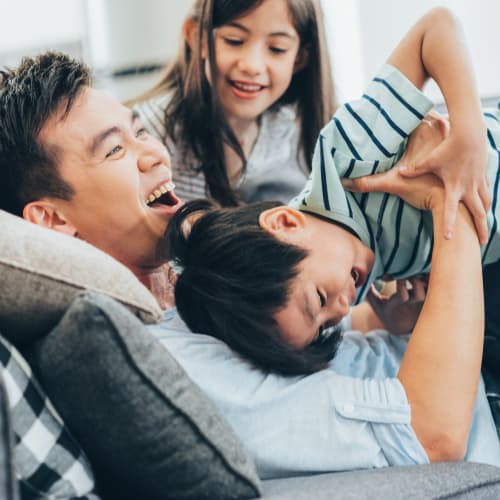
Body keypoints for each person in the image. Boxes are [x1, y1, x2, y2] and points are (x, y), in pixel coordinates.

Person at [0, 7, 498, 477]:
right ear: (50, 219)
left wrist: (376, 321)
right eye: (114, 150)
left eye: (137, 133)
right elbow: (429, 435)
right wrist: (451, 197)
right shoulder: (168, 360)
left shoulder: (193, 283)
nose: (152, 154)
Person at [165, 4, 500, 375]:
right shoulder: (356, 265)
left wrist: (468, 134)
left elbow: (437, 28)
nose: (341, 310)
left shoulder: (347, 157)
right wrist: (392, 316)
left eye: (321, 300)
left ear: (285, 223)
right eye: (327, 324)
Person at [132, 0, 336, 205]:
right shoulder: (150, 135)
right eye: (234, 40)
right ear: (197, 38)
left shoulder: (292, 130)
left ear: (300, 59)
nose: (252, 66)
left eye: (277, 48)